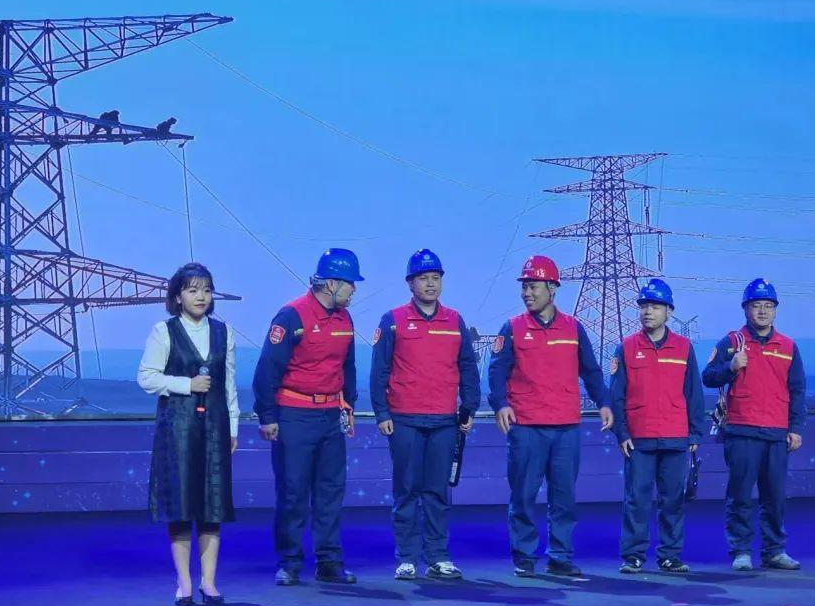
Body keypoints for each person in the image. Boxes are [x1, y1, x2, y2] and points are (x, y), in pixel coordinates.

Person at [488, 255, 613, 578]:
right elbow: (497, 372)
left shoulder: (573, 328)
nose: (527, 293)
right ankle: (524, 556)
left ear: (552, 288)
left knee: (564, 497)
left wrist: (604, 402)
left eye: (533, 286)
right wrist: (500, 404)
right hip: (526, 427)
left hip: (565, 427)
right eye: (524, 287)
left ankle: (560, 556)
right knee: (523, 496)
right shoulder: (513, 328)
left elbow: (591, 371)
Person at [370, 249, 480, 581]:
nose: (430, 284)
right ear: (410, 283)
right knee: (407, 489)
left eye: (435, 278)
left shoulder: (455, 321)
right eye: (423, 278)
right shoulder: (393, 320)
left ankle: (438, 556)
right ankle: (406, 558)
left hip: (444, 420)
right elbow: (379, 370)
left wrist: (469, 406)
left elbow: (468, 367)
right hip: (404, 418)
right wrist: (381, 412)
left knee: (437, 491)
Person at [253, 248, 361, 586]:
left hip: (330, 416)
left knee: (331, 491)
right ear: (330, 283)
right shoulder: (292, 316)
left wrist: (349, 406)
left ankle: (329, 562)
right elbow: (267, 369)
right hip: (294, 416)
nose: (354, 289)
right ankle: (289, 562)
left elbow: (347, 367)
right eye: (350, 283)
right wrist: (267, 415)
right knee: (293, 491)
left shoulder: (345, 319)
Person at [137, 262, 238, 606]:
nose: (201, 297)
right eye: (193, 290)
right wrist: (186, 384)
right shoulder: (164, 331)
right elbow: (146, 377)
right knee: (181, 504)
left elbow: (228, 385)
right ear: (178, 296)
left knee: (212, 504)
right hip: (177, 428)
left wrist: (232, 428)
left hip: (214, 427)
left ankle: (209, 582)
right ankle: (184, 582)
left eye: (206, 290)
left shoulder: (223, 332)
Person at [702, 278, 806, 571]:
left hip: (776, 432)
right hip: (741, 430)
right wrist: (730, 366)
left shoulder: (787, 346)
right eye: (756, 305)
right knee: (741, 495)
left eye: (768, 306)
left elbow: (797, 390)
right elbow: (707, 377)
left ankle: (774, 551)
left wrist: (796, 428)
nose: (762, 311)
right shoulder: (732, 343)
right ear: (745, 309)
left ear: (775, 310)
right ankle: (741, 551)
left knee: (775, 496)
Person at [610, 279, 705, 575]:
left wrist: (695, 432)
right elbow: (616, 395)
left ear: (669, 311)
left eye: (655, 306)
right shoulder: (626, 347)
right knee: (636, 499)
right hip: (639, 438)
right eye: (644, 306)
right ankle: (633, 556)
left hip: (676, 436)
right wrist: (621, 433)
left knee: (672, 500)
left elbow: (694, 393)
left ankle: (670, 556)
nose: (648, 312)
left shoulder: (684, 347)